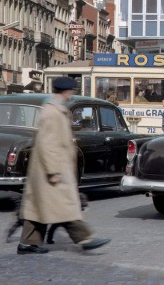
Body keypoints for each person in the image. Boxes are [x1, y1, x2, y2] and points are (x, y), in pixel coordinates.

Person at [17, 77, 110, 254]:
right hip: (52, 168)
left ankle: (28, 242)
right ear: (66, 92)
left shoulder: (54, 109)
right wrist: (53, 171)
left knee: (39, 207)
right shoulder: (53, 113)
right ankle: (85, 238)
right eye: (71, 91)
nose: (71, 95)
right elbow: (47, 144)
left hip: (49, 167)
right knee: (65, 207)